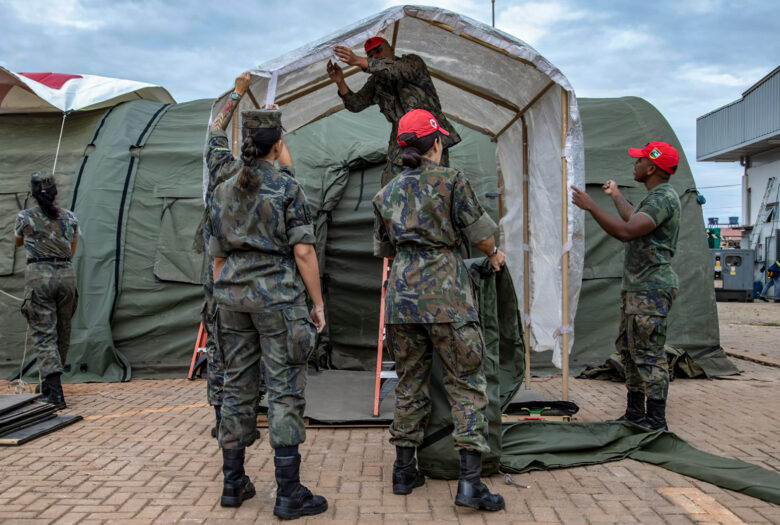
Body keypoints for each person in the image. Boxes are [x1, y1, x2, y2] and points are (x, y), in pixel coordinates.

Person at [372, 109, 505, 511]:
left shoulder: (386, 193)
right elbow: (481, 236)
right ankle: (470, 485)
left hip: (401, 300)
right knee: (466, 384)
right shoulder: (452, 181)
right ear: (435, 142)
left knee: (410, 382)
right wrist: (494, 255)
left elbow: (384, 249)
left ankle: (403, 470)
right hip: (448, 297)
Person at [207, 104, 328, 519]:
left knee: (236, 387)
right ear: (277, 145)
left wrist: (227, 293)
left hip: (231, 300)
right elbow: (304, 250)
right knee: (284, 391)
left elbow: (217, 256)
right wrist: (317, 304)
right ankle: (289, 492)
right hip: (278, 301)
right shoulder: (287, 188)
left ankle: (232, 482)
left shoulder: (224, 188)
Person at [571, 141, 681, 431]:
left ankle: (655, 421)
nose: (634, 164)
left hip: (651, 289)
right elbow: (632, 218)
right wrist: (616, 196)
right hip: (638, 288)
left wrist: (591, 205)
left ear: (652, 167)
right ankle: (635, 414)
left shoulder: (663, 198)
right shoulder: (655, 197)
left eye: (639, 160)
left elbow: (626, 231)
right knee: (629, 350)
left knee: (649, 354)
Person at [197, 72, 267, 440]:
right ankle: (249, 413)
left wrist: (237, 94)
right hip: (256, 273)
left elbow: (216, 128)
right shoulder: (269, 182)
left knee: (218, 339)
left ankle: (222, 414)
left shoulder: (222, 165)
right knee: (255, 341)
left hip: (217, 268)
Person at [327, 37, 461, 185]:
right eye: (371, 55)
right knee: (391, 189)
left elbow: (394, 70)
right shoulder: (376, 82)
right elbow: (356, 104)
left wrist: (359, 61)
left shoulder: (412, 63)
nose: (376, 57)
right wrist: (340, 82)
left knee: (434, 186)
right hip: (401, 141)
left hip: (428, 136)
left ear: (391, 48)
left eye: (379, 51)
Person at [14, 170, 79, 410]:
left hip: (39, 276)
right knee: (63, 330)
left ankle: (55, 392)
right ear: (56, 192)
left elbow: (18, 241)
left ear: (32, 193)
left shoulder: (25, 217)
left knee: (43, 332)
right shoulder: (70, 217)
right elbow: (72, 249)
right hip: (66, 275)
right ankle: (49, 384)